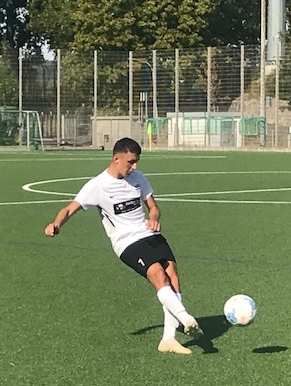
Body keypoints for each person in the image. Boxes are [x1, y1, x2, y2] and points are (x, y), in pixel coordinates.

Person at [44, 137, 202, 355]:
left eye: (136, 162)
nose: (134, 167)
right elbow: (70, 209)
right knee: (158, 274)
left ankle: (168, 339)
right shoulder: (97, 185)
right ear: (116, 159)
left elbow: (153, 207)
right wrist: (56, 224)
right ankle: (186, 318)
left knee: (172, 274)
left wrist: (153, 218)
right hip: (127, 242)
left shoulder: (138, 178)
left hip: (149, 234)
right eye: (130, 162)